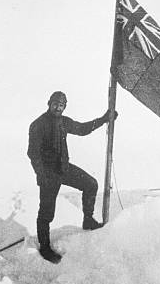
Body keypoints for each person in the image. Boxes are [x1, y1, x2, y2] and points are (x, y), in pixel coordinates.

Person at [27, 91, 117, 263]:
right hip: (48, 175)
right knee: (46, 213)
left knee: (91, 184)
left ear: (65, 107)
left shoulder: (64, 122)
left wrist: (105, 118)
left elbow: (82, 129)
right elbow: (33, 154)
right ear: (49, 103)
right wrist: (41, 175)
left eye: (61, 105)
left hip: (63, 169)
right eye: (55, 104)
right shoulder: (38, 125)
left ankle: (88, 220)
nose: (58, 107)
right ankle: (45, 247)